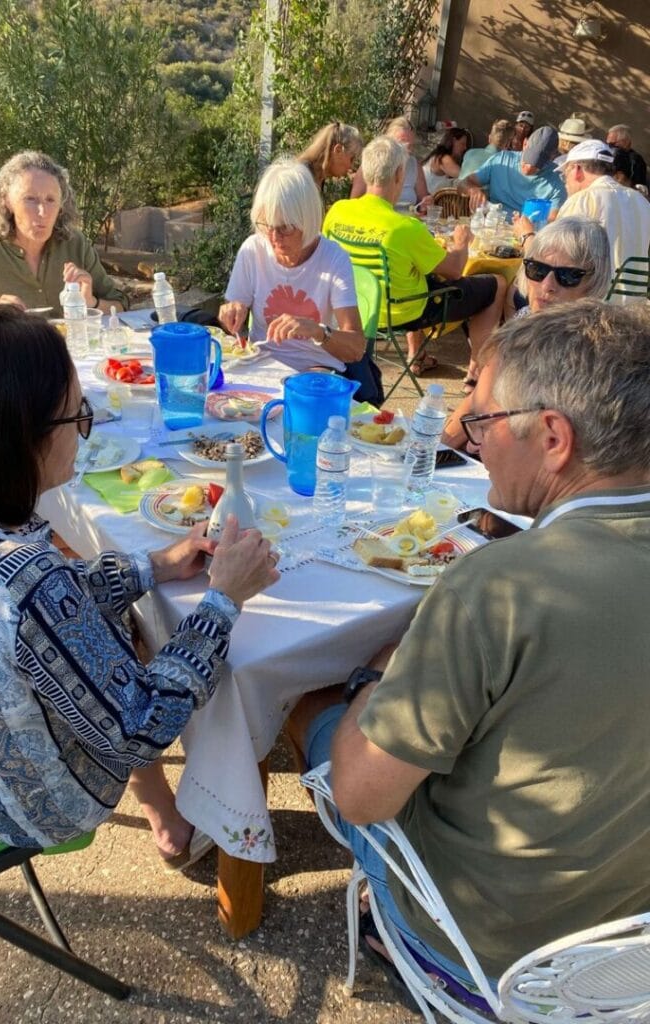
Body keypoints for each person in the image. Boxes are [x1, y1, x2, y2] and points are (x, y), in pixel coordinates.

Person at [290, 298, 650, 990]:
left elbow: (361, 797)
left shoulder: (496, 585)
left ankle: (383, 924)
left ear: (553, 436)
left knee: (313, 703)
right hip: (629, 950)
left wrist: (372, 678)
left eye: (483, 420)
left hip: (499, 960)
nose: (472, 440)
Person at [0, 304, 279, 849]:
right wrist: (222, 600)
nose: (83, 432)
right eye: (77, 416)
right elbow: (141, 728)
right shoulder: (26, 583)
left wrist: (151, 566)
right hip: (17, 808)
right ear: (25, 439)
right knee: (140, 643)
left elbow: (22, 620)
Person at [323, 136, 505, 389]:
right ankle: (476, 372)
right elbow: (454, 271)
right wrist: (462, 242)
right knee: (497, 284)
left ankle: (423, 355)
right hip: (402, 312)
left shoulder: (338, 211)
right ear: (400, 174)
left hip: (349, 308)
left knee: (416, 273)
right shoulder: (404, 228)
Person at [442, 217, 611, 450]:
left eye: (568, 276)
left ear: (594, 282)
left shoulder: (594, 352)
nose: (547, 285)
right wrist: (437, 450)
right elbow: (478, 399)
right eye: (537, 269)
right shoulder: (524, 320)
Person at [218, 159, 375, 400]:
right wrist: (232, 311)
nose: (273, 238)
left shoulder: (333, 259)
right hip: (261, 367)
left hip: (314, 372)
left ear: (307, 219)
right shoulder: (254, 249)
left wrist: (317, 331)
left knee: (303, 401)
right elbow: (231, 326)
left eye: (285, 228)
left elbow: (356, 347)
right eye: (266, 225)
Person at [0, 151, 126, 320]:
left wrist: (91, 303)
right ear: (6, 201)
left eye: (51, 200)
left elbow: (121, 305)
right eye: (30, 199)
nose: (42, 211)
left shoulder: (75, 244)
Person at [553, 139, 650, 300]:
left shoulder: (581, 200)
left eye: (565, 175)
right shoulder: (641, 201)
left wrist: (527, 236)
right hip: (634, 309)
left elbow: (557, 259)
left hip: (588, 309)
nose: (565, 184)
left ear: (577, 170)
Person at [461, 125, 566, 216]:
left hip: (527, 232)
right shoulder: (501, 160)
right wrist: (473, 190)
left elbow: (552, 220)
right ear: (524, 144)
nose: (529, 168)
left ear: (552, 157)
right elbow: (463, 184)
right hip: (493, 225)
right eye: (527, 160)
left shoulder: (558, 180)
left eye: (538, 165)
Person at [351, 117, 431, 212]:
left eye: (411, 145)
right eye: (402, 143)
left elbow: (423, 200)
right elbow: (354, 203)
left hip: (408, 220)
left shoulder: (414, 165)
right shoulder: (373, 163)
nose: (408, 149)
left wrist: (425, 204)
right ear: (388, 141)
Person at [297, 122, 364, 192]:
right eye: (351, 159)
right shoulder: (300, 178)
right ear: (338, 150)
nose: (351, 166)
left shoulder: (315, 179)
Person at [420, 127, 470, 194]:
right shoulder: (443, 158)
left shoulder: (440, 155)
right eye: (462, 144)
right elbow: (463, 176)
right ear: (454, 141)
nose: (465, 148)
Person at [606, 123, 648, 189]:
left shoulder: (635, 160)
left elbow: (642, 189)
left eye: (612, 144)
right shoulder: (606, 155)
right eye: (607, 144)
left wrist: (626, 182)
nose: (609, 147)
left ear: (626, 142)